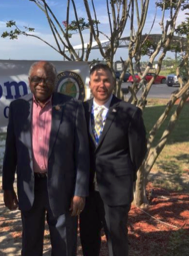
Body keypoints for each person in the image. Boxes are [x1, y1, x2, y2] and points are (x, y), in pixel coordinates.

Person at [3, 61, 90, 256]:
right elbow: (11, 151)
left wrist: (80, 192)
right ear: (29, 82)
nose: (42, 83)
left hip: (63, 189)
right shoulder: (18, 108)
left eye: (47, 79)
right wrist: (7, 187)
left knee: (64, 246)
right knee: (31, 245)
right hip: (30, 188)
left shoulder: (72, 107)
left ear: (55, 81)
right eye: (37, 79)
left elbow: (82, 153)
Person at [79, 63, 147, 256]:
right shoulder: (80, 111)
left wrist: (124, 174)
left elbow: (138, 151)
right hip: (87, 192)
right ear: (90, 84)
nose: (102, 84)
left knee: (116, 242)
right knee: (88, 239)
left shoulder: (129, 112)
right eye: (97, 80)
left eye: (107, 80)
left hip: (116, 190)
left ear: (113, 83)